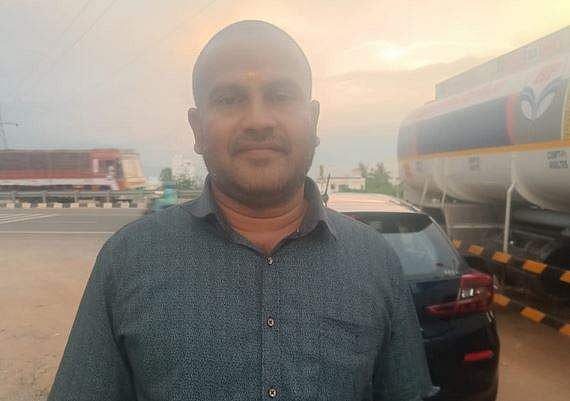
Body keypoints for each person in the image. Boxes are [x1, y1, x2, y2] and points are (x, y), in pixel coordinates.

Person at [48, 20, 433, 401]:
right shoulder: (128, 260)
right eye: (229, 99)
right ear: (198, 129)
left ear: (313, 121)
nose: (258, 121)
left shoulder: (375, 261)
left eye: (281, 95)